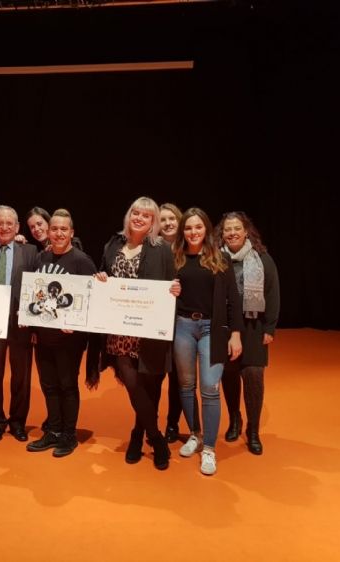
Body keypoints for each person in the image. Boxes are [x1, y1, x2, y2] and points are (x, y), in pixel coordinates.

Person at [96, 197, 180, 470]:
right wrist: (101, 278)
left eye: (147, 215)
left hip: (149, 330)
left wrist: (175, 289)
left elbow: (171, 284)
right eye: (136, 212)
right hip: (120, 328)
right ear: (129, 215)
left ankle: (137, 434)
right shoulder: (113, 245)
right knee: (133, 384)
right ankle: (156, 439)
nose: (140, 218)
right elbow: (103, 275)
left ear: (153, 221)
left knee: (150, 388)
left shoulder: (161, 249)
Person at [173, 207, 242, 476]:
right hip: (182, 327)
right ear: (183, 231)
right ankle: (195, 434)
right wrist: (170, 290)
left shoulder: (220, 259)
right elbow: (164, 293)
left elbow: (233, 299)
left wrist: (235, 334)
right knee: (186, 385)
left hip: (212, 329)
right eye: (188, 228)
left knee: (210, 388)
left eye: (198, 227)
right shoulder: (175, 258)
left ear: (206, 229)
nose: (193, 232)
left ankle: (210, 449)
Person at [26, 209, 98, 458]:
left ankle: (69, 434)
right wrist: (30, 323)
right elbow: (34, 294)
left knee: (67, 385)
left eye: (63, 229)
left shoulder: (82, 261)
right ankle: (54, 431)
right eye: (54, 229)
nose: (58, 233)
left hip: (70, 339)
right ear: (49, 231)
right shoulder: (41, 258)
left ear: (71, 232)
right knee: (49, 385)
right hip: (44, 336)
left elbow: (91, 300)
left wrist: (77, 324)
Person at [216, 211, 280, 455]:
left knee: (253, 376)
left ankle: (253, 430)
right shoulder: (216, 259)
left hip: (254, 326)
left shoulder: (262, 258)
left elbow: (273, 293)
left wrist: (270, 327)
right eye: (227, 229)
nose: (232, 233)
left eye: (237, 228)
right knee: (229, 375)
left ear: (246, 231)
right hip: (225, 326)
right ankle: (235, 419)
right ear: (222, 234)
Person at [0, 205, 38, 443]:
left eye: (9, 223)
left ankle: (17, 422)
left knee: (21, 375)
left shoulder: (30, 251)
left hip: (20, 323)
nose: (4, 227)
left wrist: (34, 324)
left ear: (17, 227)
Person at [158, 202, 200, 442]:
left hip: (183, 322)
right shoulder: (152, 248)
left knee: (178, 378)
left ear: (180, 220)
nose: (168, 223)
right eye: (162, 220)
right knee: (155, 376)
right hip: (157, 321)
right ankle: (149, 424)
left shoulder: (190, 248)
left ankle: (173, 424)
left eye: (171, 218)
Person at [18, 206, 85, 251]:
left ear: (48, 223)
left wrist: (58, 249)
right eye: (32, 227)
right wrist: (17, 242)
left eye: (39, 224)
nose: (36, 229)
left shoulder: (72, 243)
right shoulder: (34, 249)